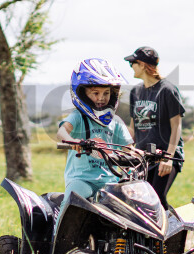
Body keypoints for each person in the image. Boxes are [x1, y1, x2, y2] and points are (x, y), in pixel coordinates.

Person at [56, 58, 135, 218]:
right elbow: (62, 132)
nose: (101, 98)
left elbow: (129, 150)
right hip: (82, 179)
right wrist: (73, 141)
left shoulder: (116, 123)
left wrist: (136, 157)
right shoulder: (78, 117)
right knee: (71, 202)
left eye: (106, 93)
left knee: (130, 209)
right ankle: (55, 240)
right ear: (83, 93)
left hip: (110, 181)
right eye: (95, 93)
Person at [125, 46, 185, 209]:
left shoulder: (167, 90)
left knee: (156, 198)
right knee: (139, 201)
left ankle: (170, 231)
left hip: (165, 156)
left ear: (143, 65)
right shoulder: (135, 92)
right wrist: (125, 149)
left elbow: (176, 127)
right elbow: (133, 127)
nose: (131, 66)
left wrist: (169, 158)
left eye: (133, 63)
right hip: (144, 157)